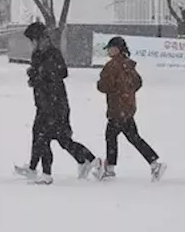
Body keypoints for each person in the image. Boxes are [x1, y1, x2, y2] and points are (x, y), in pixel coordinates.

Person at [14, 23, 100, 184]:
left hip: (55, 104)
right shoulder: (38, 54)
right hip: (44, 103)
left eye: (33, 40)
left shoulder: (52, 53)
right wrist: (34, 77)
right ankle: (88, 160)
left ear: (41, 39)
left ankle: (46, 172)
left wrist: (39, 74)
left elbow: (61, 73)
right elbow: (38, 76)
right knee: (54, 138)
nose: (32, 44)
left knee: (47, 137)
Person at [96, 36, 164, 182]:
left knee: (114, 137)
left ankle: (111, 169)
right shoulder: (129, 65)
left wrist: (102, 85)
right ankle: (153, 163)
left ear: (116, 49)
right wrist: (127, 93)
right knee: (130, 137)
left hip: (117, 108)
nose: (108, 51)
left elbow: (105, 86)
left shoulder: (112, 66)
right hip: (127, 107)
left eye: (110, 48)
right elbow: (138, 83)